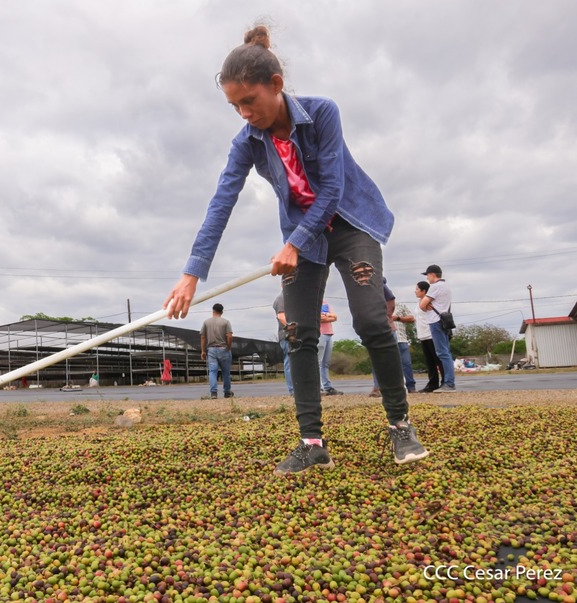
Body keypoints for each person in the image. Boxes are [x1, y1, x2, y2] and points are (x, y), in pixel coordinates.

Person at [163, 25, 428, 472]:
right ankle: (312, 443)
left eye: (250, 101)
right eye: (235, 106)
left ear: (276, 85)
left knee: (370, 320)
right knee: (298, 333)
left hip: (350, 224)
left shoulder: (322, 112)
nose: (244, 113)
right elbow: (221, 203)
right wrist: (191, 274)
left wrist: (294, 243)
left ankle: (400, 426)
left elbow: (331, 190)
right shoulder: (246, 142)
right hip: (301, 238)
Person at [419, 265, 456, 392]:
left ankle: (449, 383)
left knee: (442, 353)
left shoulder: (435, 286)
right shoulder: (446, 286)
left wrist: (426, 305)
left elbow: (422, 305)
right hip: (444, 321)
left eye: (427, 275)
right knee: (446, 352)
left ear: (432, 274)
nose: (427, 278)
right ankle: (449, 382)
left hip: (435, 321)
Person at [414, 280, 445, 392]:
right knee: (429, 361)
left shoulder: (429, 302)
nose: (415, 291)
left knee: (438, 360)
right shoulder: (418, 302)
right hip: (423, 335)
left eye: (417, 289)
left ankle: (445, 382)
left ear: (424, 291)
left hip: (431, 334)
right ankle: (432, 383)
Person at [200, 303, 233, 399]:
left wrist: (203, 351)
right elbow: (229, 336)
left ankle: (213, 393)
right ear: (222, 312)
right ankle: (227, 392)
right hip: (223, 348)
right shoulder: (226, 322)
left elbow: (203, 337)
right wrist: (228, 347)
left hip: (211, 349)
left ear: (213, 311)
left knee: (213, 372)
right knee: (226, 372)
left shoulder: (206, 322)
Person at [318, 300, 342, 396]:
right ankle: (318, 388)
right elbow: (318, 318)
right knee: (318, 362)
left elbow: (335, 317)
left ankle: (328, 387)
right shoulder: (312, 303)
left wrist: (326, 316)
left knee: (325, 363)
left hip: (329, 334)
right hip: (320, 334)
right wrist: (328, 316)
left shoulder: (325, 303)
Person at [392, 301, 417, 393]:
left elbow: (412, 318)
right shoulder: (380, 306)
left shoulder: (400, 305)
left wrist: (398, 318)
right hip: (388, 340)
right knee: (391, 365)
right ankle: (394, 387)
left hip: (402, 339)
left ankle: (411, 386)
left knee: (406, 363)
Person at [273, 292, 294, 395]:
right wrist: (292, 328)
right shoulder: (281, 298)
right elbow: (281, 316)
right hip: (287, 335)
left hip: (295, 335)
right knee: (289, 362)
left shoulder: (292, 297)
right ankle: (293, 390)